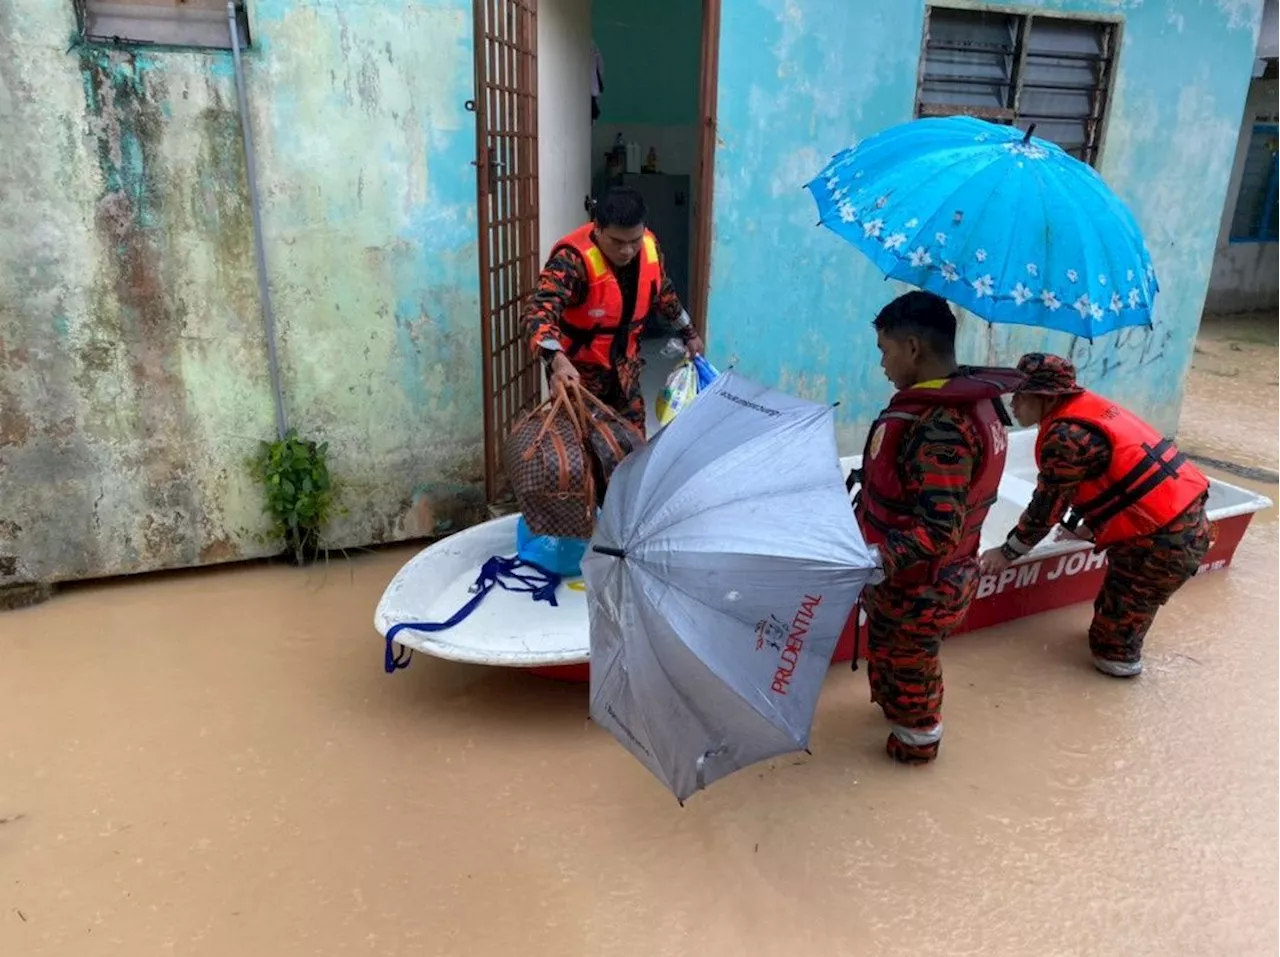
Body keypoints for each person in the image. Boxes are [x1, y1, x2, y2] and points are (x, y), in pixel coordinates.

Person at [853, 292, 1024, 765]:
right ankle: (898, 721)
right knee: (892, 667)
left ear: (912, 348)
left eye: (885, 351)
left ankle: (913, 753)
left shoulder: (942, 426)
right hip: (908, 582)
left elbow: (938, 530)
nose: (883, 364)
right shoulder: (954, 403)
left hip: (923, 590)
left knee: (913, 696)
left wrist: (871, 560)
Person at [979, 354, 1213, 678]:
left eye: (1020, 394)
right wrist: (1090, 527)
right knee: (1112, 612)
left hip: (1162, 543)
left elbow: (1047, 508)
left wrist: (1007, 552)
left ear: (1045, 397)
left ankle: (1115, 700)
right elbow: (1118, 484)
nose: (1013, 403)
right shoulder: (1085, 409)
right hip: (1179, 525)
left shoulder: (1066, 437)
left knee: (1112, 653)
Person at [521, 188, 704, 431]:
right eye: (617, 242)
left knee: (634, 444)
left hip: (626, 369)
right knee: (585, 452)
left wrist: (689, 332)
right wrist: (556, 360)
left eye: (634, 241)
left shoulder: (650, 246)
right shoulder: (571, 261)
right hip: (579, 376)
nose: (627, 251)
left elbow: (662, 289)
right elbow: (536, 313)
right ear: (597, 227)